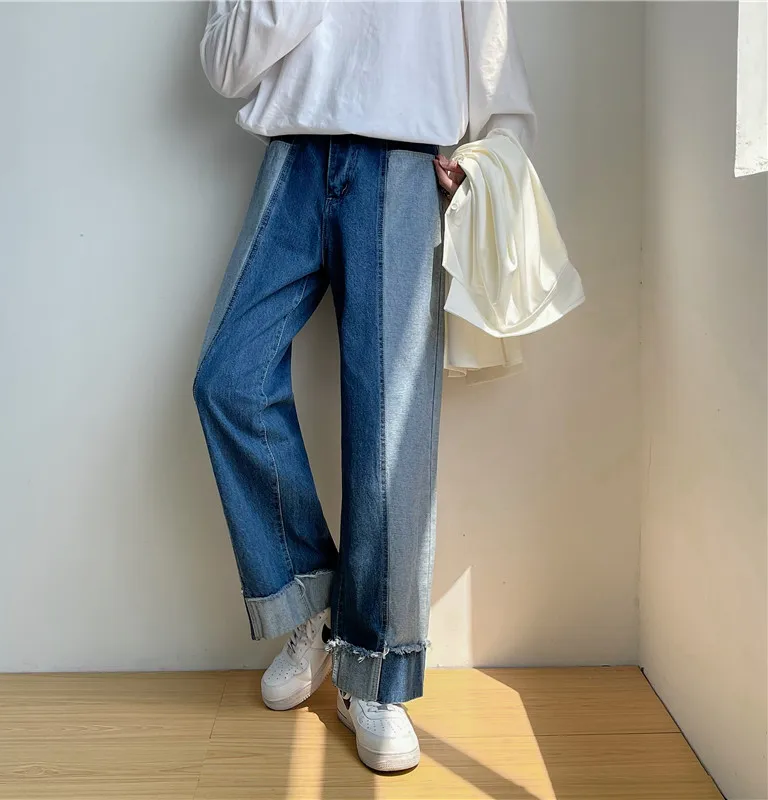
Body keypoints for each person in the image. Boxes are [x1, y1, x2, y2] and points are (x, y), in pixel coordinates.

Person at [193, 0, 535, 772]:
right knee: (227, 381)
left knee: (390, 432)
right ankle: (314, 604)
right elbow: (224, 67)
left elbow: (494, 55)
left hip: (406, 163)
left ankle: (375, 674)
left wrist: (495, 152)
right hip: (293, 158)